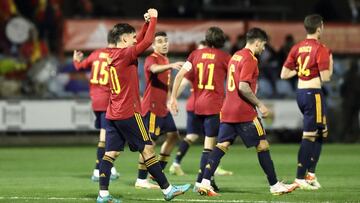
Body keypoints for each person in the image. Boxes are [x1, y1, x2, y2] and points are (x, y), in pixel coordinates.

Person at [96, 9, 190, 203]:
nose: (135, 41)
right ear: (123, 40)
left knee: (110, 154)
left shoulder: (112, 54)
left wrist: (146, 24)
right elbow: (146, 42)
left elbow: (140, 40)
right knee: (148, 148)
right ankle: (168, 190)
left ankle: (103, 195)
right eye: (131, 38)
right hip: (129, 112)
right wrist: (154, 18)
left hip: (113, 113)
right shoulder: (125, 54)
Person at [197, 28, 295, 196]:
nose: (263, 49)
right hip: (244, 111)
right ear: (257, 42)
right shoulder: (250, 59)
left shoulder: (235, 55)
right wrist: (260, 105)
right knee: (262, 145)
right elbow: (243, 86)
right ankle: (275, 185)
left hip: (228, 109)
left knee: (221, 145)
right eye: (263, 45)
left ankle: (205, 181)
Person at [170, 27, 231, 191]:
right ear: (221, 41)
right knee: (209, 146)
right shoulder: (225, 57)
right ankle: (201, 181)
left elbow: (179, 76)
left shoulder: (195, 55)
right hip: (214, 105)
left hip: (197, 105)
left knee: (197, 139)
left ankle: (208, 180)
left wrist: (173, 98)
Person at [280, 14, 333, 190]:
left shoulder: (297, 47)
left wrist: (301, 69)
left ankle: (310, 174)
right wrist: (329, 64)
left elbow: (284, 74)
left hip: (301, 93)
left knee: (320, 131)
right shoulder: (321, 48)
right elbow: (326, 77)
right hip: (313, 93)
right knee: (310, 134)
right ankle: (300, 177)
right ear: (319, 28)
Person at [135, 31, 184, 189]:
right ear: (154, 44)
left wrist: (171, 100)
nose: (164, 43)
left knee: (174, 136)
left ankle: (157, 172)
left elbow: (165, 85)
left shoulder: (165, 59)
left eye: (166, 40)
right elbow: (155, 69)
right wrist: (171, 65)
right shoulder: (152, 58)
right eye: (160, 41)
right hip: (152, 108)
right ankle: (141, 180)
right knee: (149, 144)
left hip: (163, 108)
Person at [72, 30, 120, 182]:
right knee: (107, 137)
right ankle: (97, 170)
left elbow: (79, 67)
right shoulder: (116, 55)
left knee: (109, 135)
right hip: (109, 101)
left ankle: (110, 168)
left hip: (96, 100)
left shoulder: (95, 54)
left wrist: (75, 60)